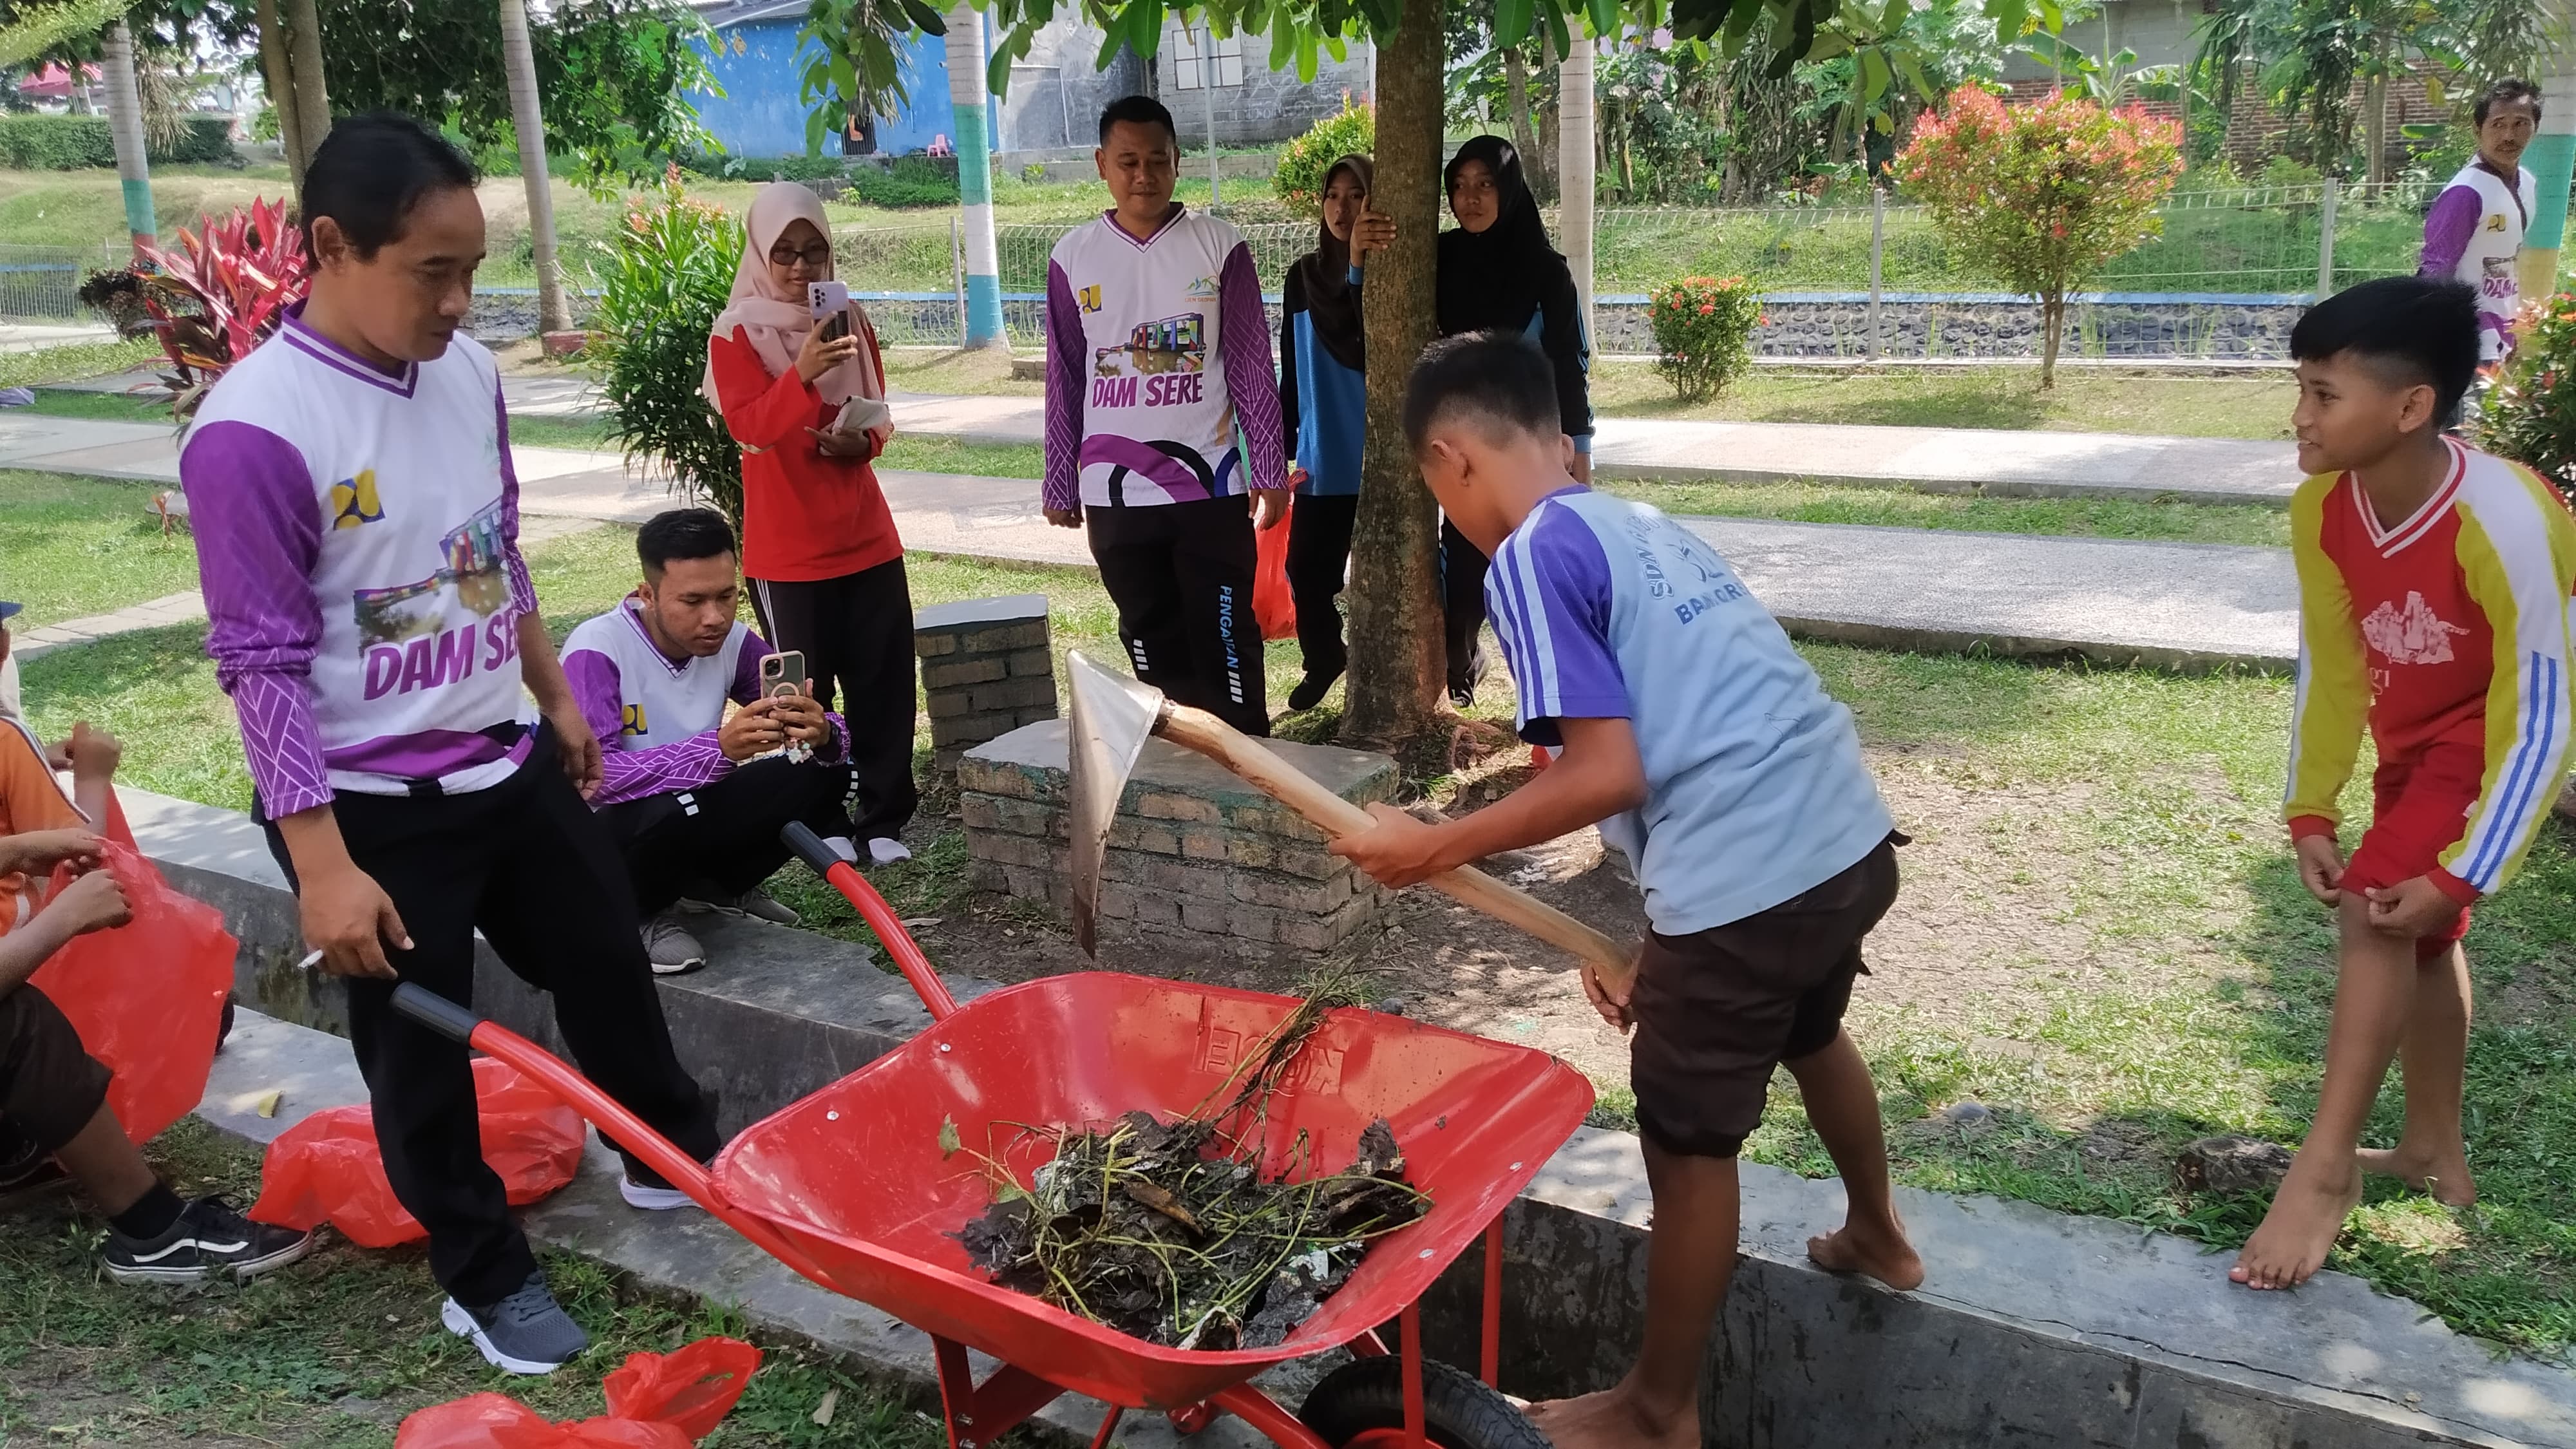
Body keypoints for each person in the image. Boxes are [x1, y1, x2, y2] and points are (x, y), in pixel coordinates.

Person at [180, 113, 721, 1375]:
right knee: (417, 1050)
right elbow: (258, 666)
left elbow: (493, 548)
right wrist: (320, 865)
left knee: (602, 955)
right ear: (332, 248)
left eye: (472, 268)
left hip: (500, 752)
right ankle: (481, 1273)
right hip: (366, 803)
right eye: (433, 270)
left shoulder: (468, 375)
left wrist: (555, 696)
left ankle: (663, 1152)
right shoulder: (255, 429)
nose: (460, 300)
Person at [1332, 332, 1920, 1449]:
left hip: (1754, 873)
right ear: (1555, 439)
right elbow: (1700, 732)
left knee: (1686, 1138)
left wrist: (1434, 846)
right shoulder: (1635, 527)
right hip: (1841, 842)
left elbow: (1608, 772)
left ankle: (1658, 1411)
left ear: (1449, 460)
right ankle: (1879, 1234)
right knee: (1809, 1026)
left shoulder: (1529, 560)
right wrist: (1664, 945)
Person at [2231, 276, 2576, 1291]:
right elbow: (2332, 667)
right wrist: (2310, 803)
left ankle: (2325, 1168)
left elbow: (2546, 709)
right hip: (2413, 743)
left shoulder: (2508, 514)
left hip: (2495, 735)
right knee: (2418, 935)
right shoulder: (2323, 509)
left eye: (2326, 393)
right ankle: (2432, 1152)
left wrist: (2467, 868)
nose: (2300, 416)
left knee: (2379, 908)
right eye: (2301, 387)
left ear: (2412, 406)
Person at [1043, 95, 1289, 736]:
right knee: (1150, 637)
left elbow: (1250, 366)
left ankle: (1251, 763)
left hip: (1209, 484)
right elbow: (1065, 375)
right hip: (1114, 495)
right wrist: (1058, 479)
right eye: (1128, 161)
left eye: (1157, 160)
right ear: (1101, 164)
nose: (1143, 176)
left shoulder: (1219, 246)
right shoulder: (1072, 257)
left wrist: (1269, 468)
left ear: (1178, 162)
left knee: (1227, 634)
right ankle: (1183, 775)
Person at [705, 180, 918, 870]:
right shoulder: (736, 332)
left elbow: (878, 411)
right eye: (786, 253)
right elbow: (750, 428)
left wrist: (865, 443)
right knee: (801, 693)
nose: (801, 268)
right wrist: (799, 374)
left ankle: (884, 814)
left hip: (865, 533)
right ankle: (819, 810)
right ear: (762, 254)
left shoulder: (849, 316)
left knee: (884, 682)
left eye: (814, 251)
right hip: (788, 548)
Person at [562, 509, 853, 975]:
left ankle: (712, 890)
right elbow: (596, 779)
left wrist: (819, 731)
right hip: (606, 832)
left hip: (686, 812)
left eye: (726, 596)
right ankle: (635, 915)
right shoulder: (598, 650)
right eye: (693, 601)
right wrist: (717, 749)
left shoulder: (732, 642)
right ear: (648, 596)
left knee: (829, 769)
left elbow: (826, 736)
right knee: (676, 805)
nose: (714, 618)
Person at [1435, 135, 1593, 709]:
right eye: (1458, 187)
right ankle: (1463, 663)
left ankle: (1553, 706)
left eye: (1485, 185)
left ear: (1510, 190)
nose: (1469, 199)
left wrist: (1580, 452)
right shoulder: (1439, 259)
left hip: (1529, 449)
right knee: (1461, 581)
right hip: (1456, 448)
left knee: (1536, 575)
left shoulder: (1545, 272)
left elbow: (1572, 364)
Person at [1276, 155, 1393, 712]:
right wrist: (1280, 450)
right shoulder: (1301, 277)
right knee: (1305, 570)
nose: (1342, 208)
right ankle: (1324, 658)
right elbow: (1292, 371)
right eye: (1333, 196)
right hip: (1323, 459)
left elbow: (1368, 336)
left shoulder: (1387, 271)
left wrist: (1358, 269)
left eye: (1355, 195)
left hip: (1380, 459)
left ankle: (1459, 661)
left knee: (1397, 579)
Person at [2420, 79, 2542, 368]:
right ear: (2478, 130)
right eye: (2498, 124)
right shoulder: (2466, 192)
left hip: (2505, 329)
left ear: (2535, 128)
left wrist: (2515, 328)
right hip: (2469, 334)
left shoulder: (2527, 183)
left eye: (2521, 124)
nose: (2509, 135)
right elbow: (2436, 268)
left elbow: (2505, 261)